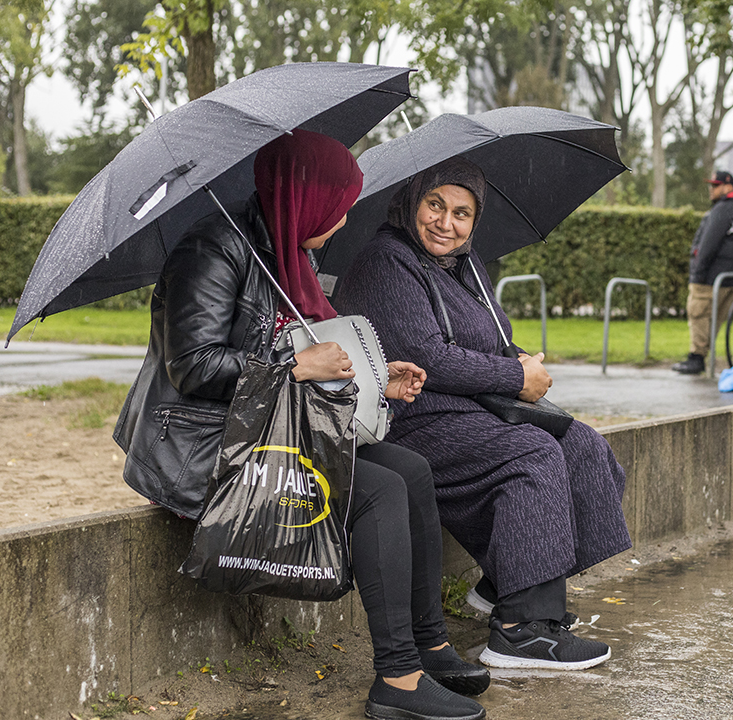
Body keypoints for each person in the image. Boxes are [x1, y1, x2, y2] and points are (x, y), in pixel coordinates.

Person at [113, 131, 488, 720]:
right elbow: (191, 367)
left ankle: (428, 644)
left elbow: (313, 343)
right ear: (304, 198)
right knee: (378, 491)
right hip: (201, 443)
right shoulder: (211, 250)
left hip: (260, 424)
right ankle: (398, 678)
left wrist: (373, 376)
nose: (341, 224)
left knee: (410, 469)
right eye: (336, 209)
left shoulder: (287, 249)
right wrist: (295, 365)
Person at [335, 155, 631, 671]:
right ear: (412, 203)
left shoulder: (465, 265)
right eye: (435, 205)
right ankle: (521, 631)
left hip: (472, 410)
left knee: (582, 445)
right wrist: (516, 379)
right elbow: (428, 357)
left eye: (462, 213)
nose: (446, 223)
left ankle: (504, 584)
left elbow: (489, 337)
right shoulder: (387, 260)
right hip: (414, 418)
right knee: (533, 455)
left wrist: (521, 359)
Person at [672, 170, 733, 375]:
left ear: (728, 187)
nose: (711, 190)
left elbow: (708, 244)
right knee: (714, 319)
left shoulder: (723, 209)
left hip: (710, 277)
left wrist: (697, 272)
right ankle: (701, 357)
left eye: (715, 186)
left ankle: (696, 358)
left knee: (698, 314)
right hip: (732, 277)